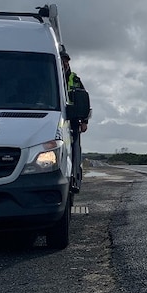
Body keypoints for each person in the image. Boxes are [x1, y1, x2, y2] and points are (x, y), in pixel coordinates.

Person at [61, 50, 90, 192]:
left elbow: (83, 100)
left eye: (66, 60)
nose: (64, 63)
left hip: (71, 120)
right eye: (62, 60)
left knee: (73, 151)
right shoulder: (47, 75)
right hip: (54, 119)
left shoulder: (74, 79)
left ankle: (73, 178)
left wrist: (84, 121)